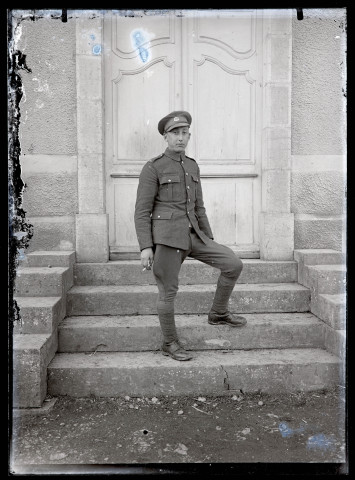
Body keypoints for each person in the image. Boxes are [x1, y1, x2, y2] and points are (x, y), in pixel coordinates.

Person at [134, 111, 246, 361]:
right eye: (175, 133)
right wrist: (145, 247)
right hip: (167, 238)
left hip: (194, 234)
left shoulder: (192, 165)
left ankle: (218, 313)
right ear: (165, 136)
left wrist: (209, 238)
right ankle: (169, 342)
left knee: (232, 264)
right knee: (168, 292)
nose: (181, 138)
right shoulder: (153, 167)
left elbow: (199, 207)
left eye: (185, 133)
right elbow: (142, 211)